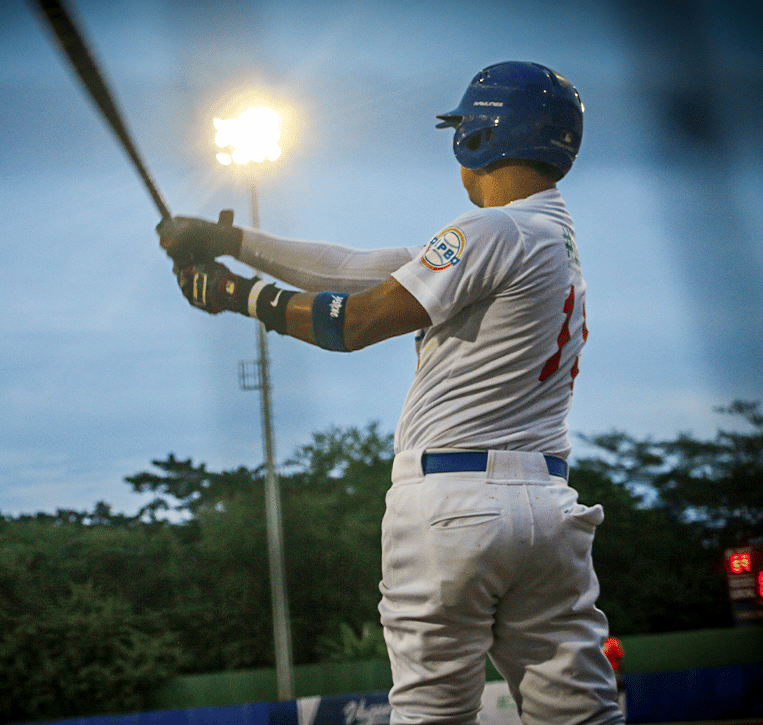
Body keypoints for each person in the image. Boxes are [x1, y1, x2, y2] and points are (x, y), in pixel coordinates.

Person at [158, 61, 623, 725]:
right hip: (549, 510)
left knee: (432, 714)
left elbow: (353, 320)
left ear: (481, 136)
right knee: (581, 715)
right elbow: (350, 269)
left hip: (454, 506)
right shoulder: (551, 239)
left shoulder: (492, 229)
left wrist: (236, 294)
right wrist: (233, 241)